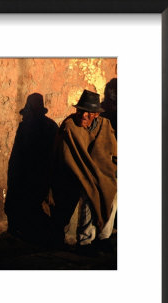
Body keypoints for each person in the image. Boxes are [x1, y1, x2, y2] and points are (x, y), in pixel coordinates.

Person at [51, 89, 117, 250]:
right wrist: (86, 174)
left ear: (96, 114)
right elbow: (65, 157)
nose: (83, 116)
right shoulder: (70, 126)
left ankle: (103, 236)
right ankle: (85, 240)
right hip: (74, 173)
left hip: (99, 172)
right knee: (90, 190)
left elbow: (111, 151)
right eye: (80, 111)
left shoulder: (104, 124)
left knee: (113, 190)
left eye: (88, 113)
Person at [5, 93, 58, 242]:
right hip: (38, 173)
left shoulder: (29, 127)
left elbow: (18, 155)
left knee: (32, 205)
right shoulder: (50, 126)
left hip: (34, 173)